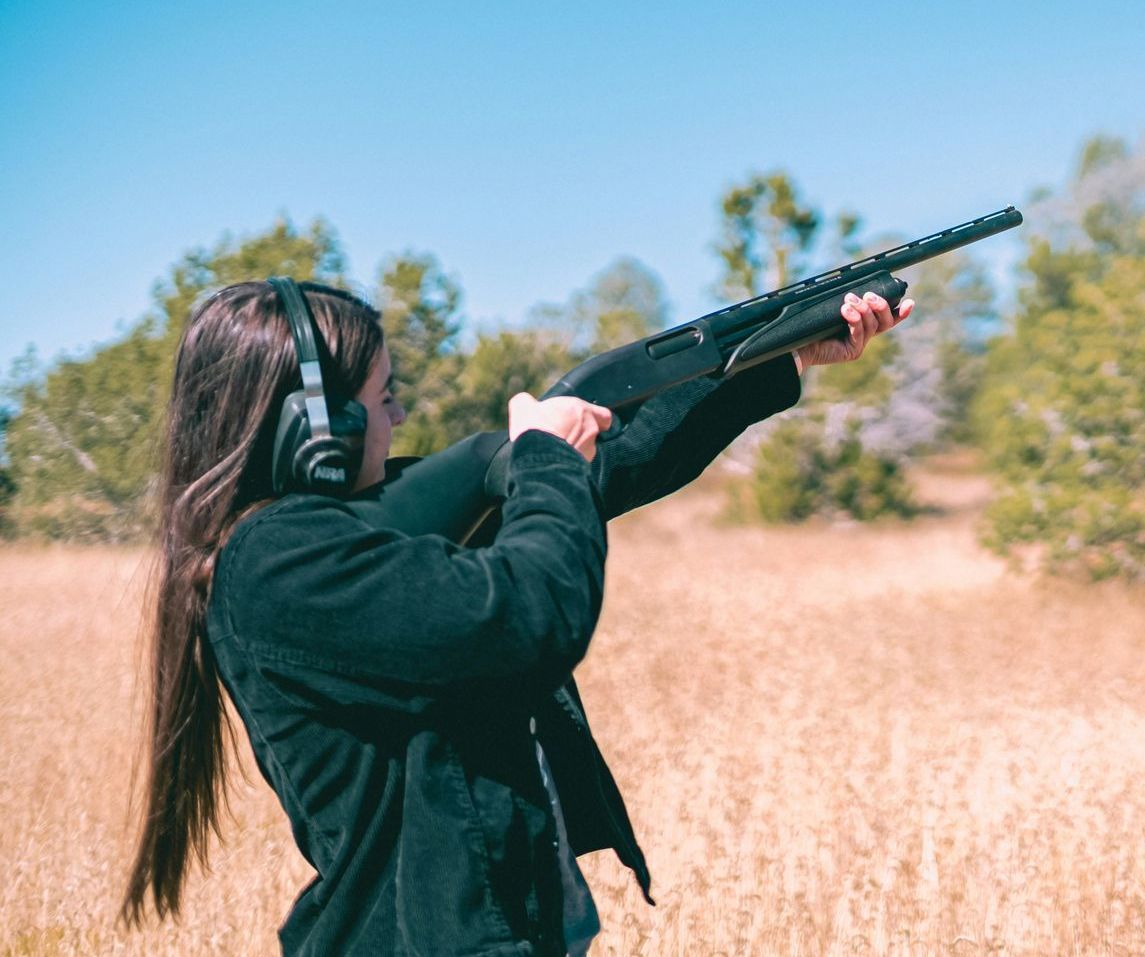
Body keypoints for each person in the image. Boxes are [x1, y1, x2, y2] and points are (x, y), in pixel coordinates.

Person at [121, 278, 912, 955]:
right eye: (382, 397)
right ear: (316, 434)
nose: (396, 417)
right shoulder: (279, 563)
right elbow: (526, 617)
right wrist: (545, 457)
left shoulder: (340, 536)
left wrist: (778, 359)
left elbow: (617, 468)